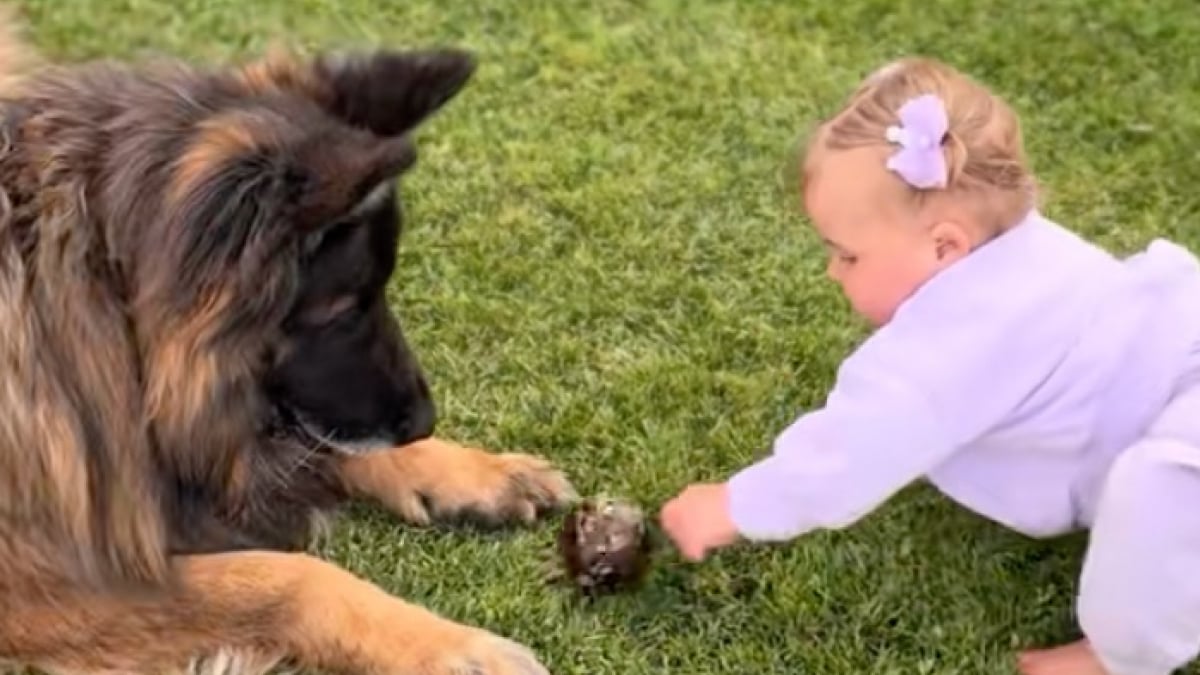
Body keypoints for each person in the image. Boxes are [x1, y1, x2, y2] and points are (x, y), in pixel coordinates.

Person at [658, 56, 1200, 675]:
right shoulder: (1030, 249)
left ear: (945, 246)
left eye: (848, 256)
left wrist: (732, 506)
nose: (833, 272)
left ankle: (1115, 657)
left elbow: (850, 450)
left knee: (1164, 499)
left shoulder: (952, 346)